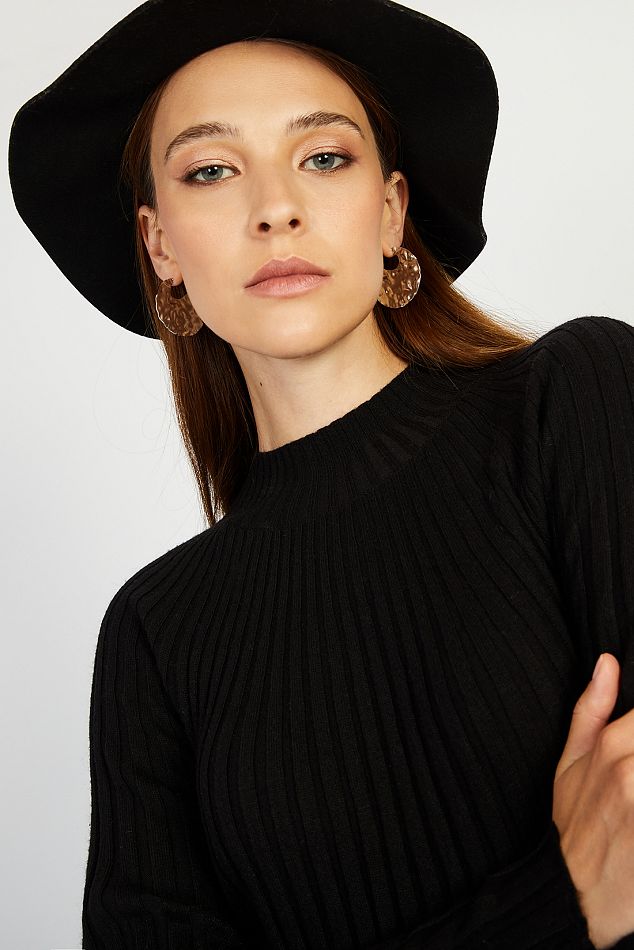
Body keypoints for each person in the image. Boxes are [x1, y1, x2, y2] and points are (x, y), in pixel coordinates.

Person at [8, 1, 634, 947]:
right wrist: (565, 897)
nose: (276, 208)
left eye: (325, 157)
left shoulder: (577, 400)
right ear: (160, 245)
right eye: (211, 171)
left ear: (391, 211)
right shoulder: (155, 634)